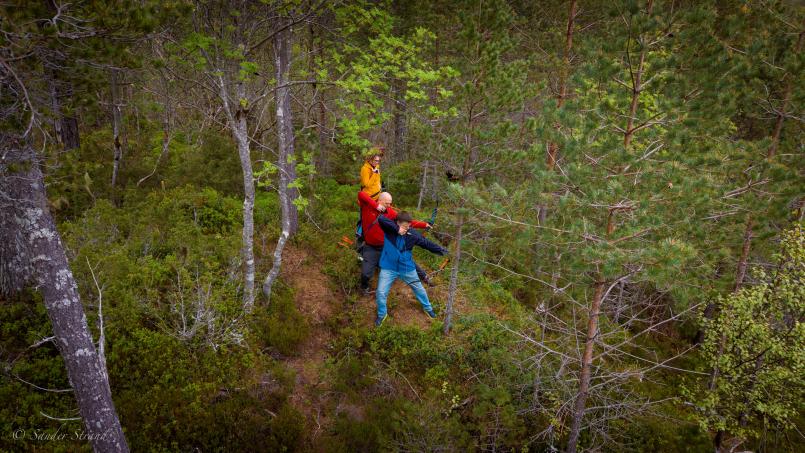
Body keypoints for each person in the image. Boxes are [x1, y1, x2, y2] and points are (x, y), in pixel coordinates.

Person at [374, 211, 448, 327]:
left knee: (419, 289)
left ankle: (428, 308)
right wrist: (397, 230)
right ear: (397, 223)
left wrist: (442, 250)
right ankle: (382, 314)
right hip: (388, 267)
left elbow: (426, 244)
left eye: (408, 226)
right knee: (381, 292)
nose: (406, 229)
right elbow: (381, 219)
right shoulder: (389, 229)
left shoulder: (412, 234)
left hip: (407, 268)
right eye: (404, 226)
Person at [358, 191, 432, 295]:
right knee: (366, 274)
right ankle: (364, 288)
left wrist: (424, 225)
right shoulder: (367, 206)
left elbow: (406, 222)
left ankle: (424, 276)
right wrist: (376, 206)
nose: (389, 206)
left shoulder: (390, 213)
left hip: (386, 246)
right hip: (371, 248)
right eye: (387, 203)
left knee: (404, 259)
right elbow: (361, 194)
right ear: (380, 200)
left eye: (390, 203)